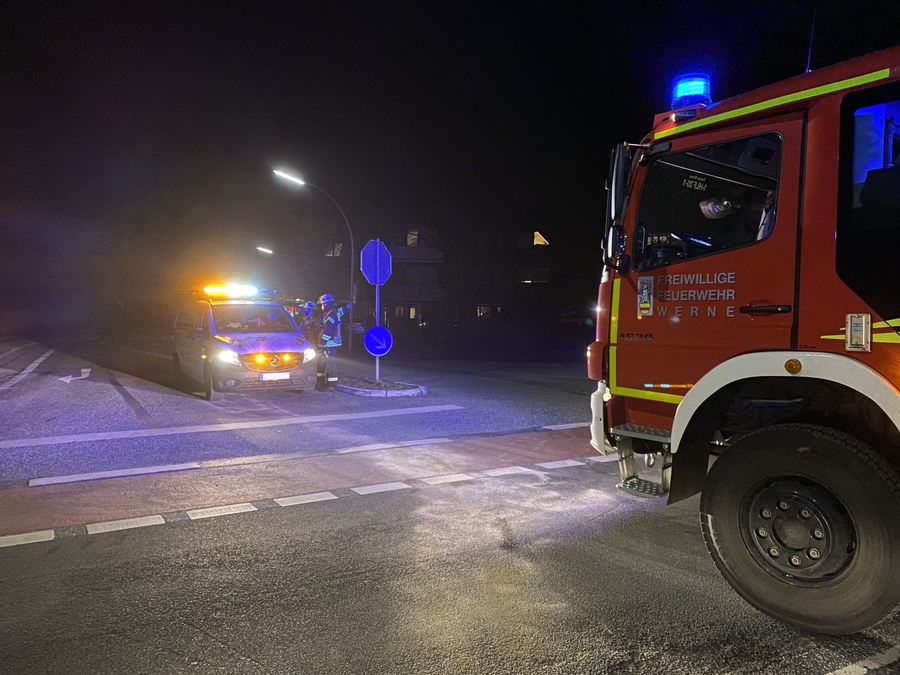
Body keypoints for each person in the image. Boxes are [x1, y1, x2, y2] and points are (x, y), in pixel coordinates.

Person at [315, 293, 351, 391]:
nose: (321, 307)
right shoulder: (334, 312)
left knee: (331, 364)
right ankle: (327, 383)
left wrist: (322, 342)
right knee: (328, 363)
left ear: (326, 304)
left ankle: (332, 385)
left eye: (322, 304)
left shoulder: (331, 315)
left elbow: (329, 331)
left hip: (330, 344)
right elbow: (342, 311)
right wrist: (347, 307)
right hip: (331, 344)